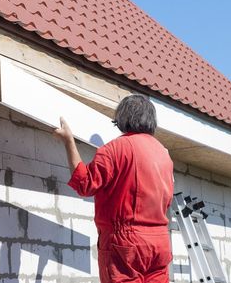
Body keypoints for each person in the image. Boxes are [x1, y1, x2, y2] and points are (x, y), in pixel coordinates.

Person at [54, 94, 174, 283]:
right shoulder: (164, 154)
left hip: (126, 243)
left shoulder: (116, 149)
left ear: (123, 119)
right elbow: (167, 200)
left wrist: (69, 141)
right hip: (159, 241)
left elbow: (85, 184)